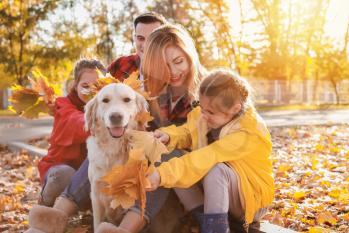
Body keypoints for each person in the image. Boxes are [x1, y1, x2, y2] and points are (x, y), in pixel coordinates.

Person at [25, 12, 167, 233]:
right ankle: (54, 219)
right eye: (140, 37)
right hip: (114, 142)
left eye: (153, 37)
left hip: (151, 148)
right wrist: (65, 105)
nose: (145, 44)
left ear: (164, 39)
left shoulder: (174, 69)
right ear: (133, 38)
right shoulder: (121, 66)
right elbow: (92, 91)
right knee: (96, 153)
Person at [96, 23, 206, 233]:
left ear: (189, 55)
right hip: (160, 180)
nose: (173, 72)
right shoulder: (155, 94)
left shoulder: (205, 91)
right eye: (164, 65)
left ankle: (203, 218)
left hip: (199, 177)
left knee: (164, 155)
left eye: (178, 61)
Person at [145, 69, 274, 233]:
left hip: (250, 200)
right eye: (201, 107)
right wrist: (169, 136)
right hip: (219, 192)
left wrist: (161, 175)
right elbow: (188, 131)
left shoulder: (248, 132)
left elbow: (206, 157)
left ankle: (215, 229)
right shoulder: (207, 113)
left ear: (235, 109)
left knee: (215, 169)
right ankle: (204, 218)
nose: (203, 115)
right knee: (170, 155)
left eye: (210, 112)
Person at [24, 58, 106, 233]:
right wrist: (102, 124)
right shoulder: (63, 105)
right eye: (85, 85)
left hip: (90, 178)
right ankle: (46, 208)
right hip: (63, 172)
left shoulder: (109, 107)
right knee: (64, 175)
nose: (91, 91)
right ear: (75, 85)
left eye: (97, 86)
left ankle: (90, 213)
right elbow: (77, 123)